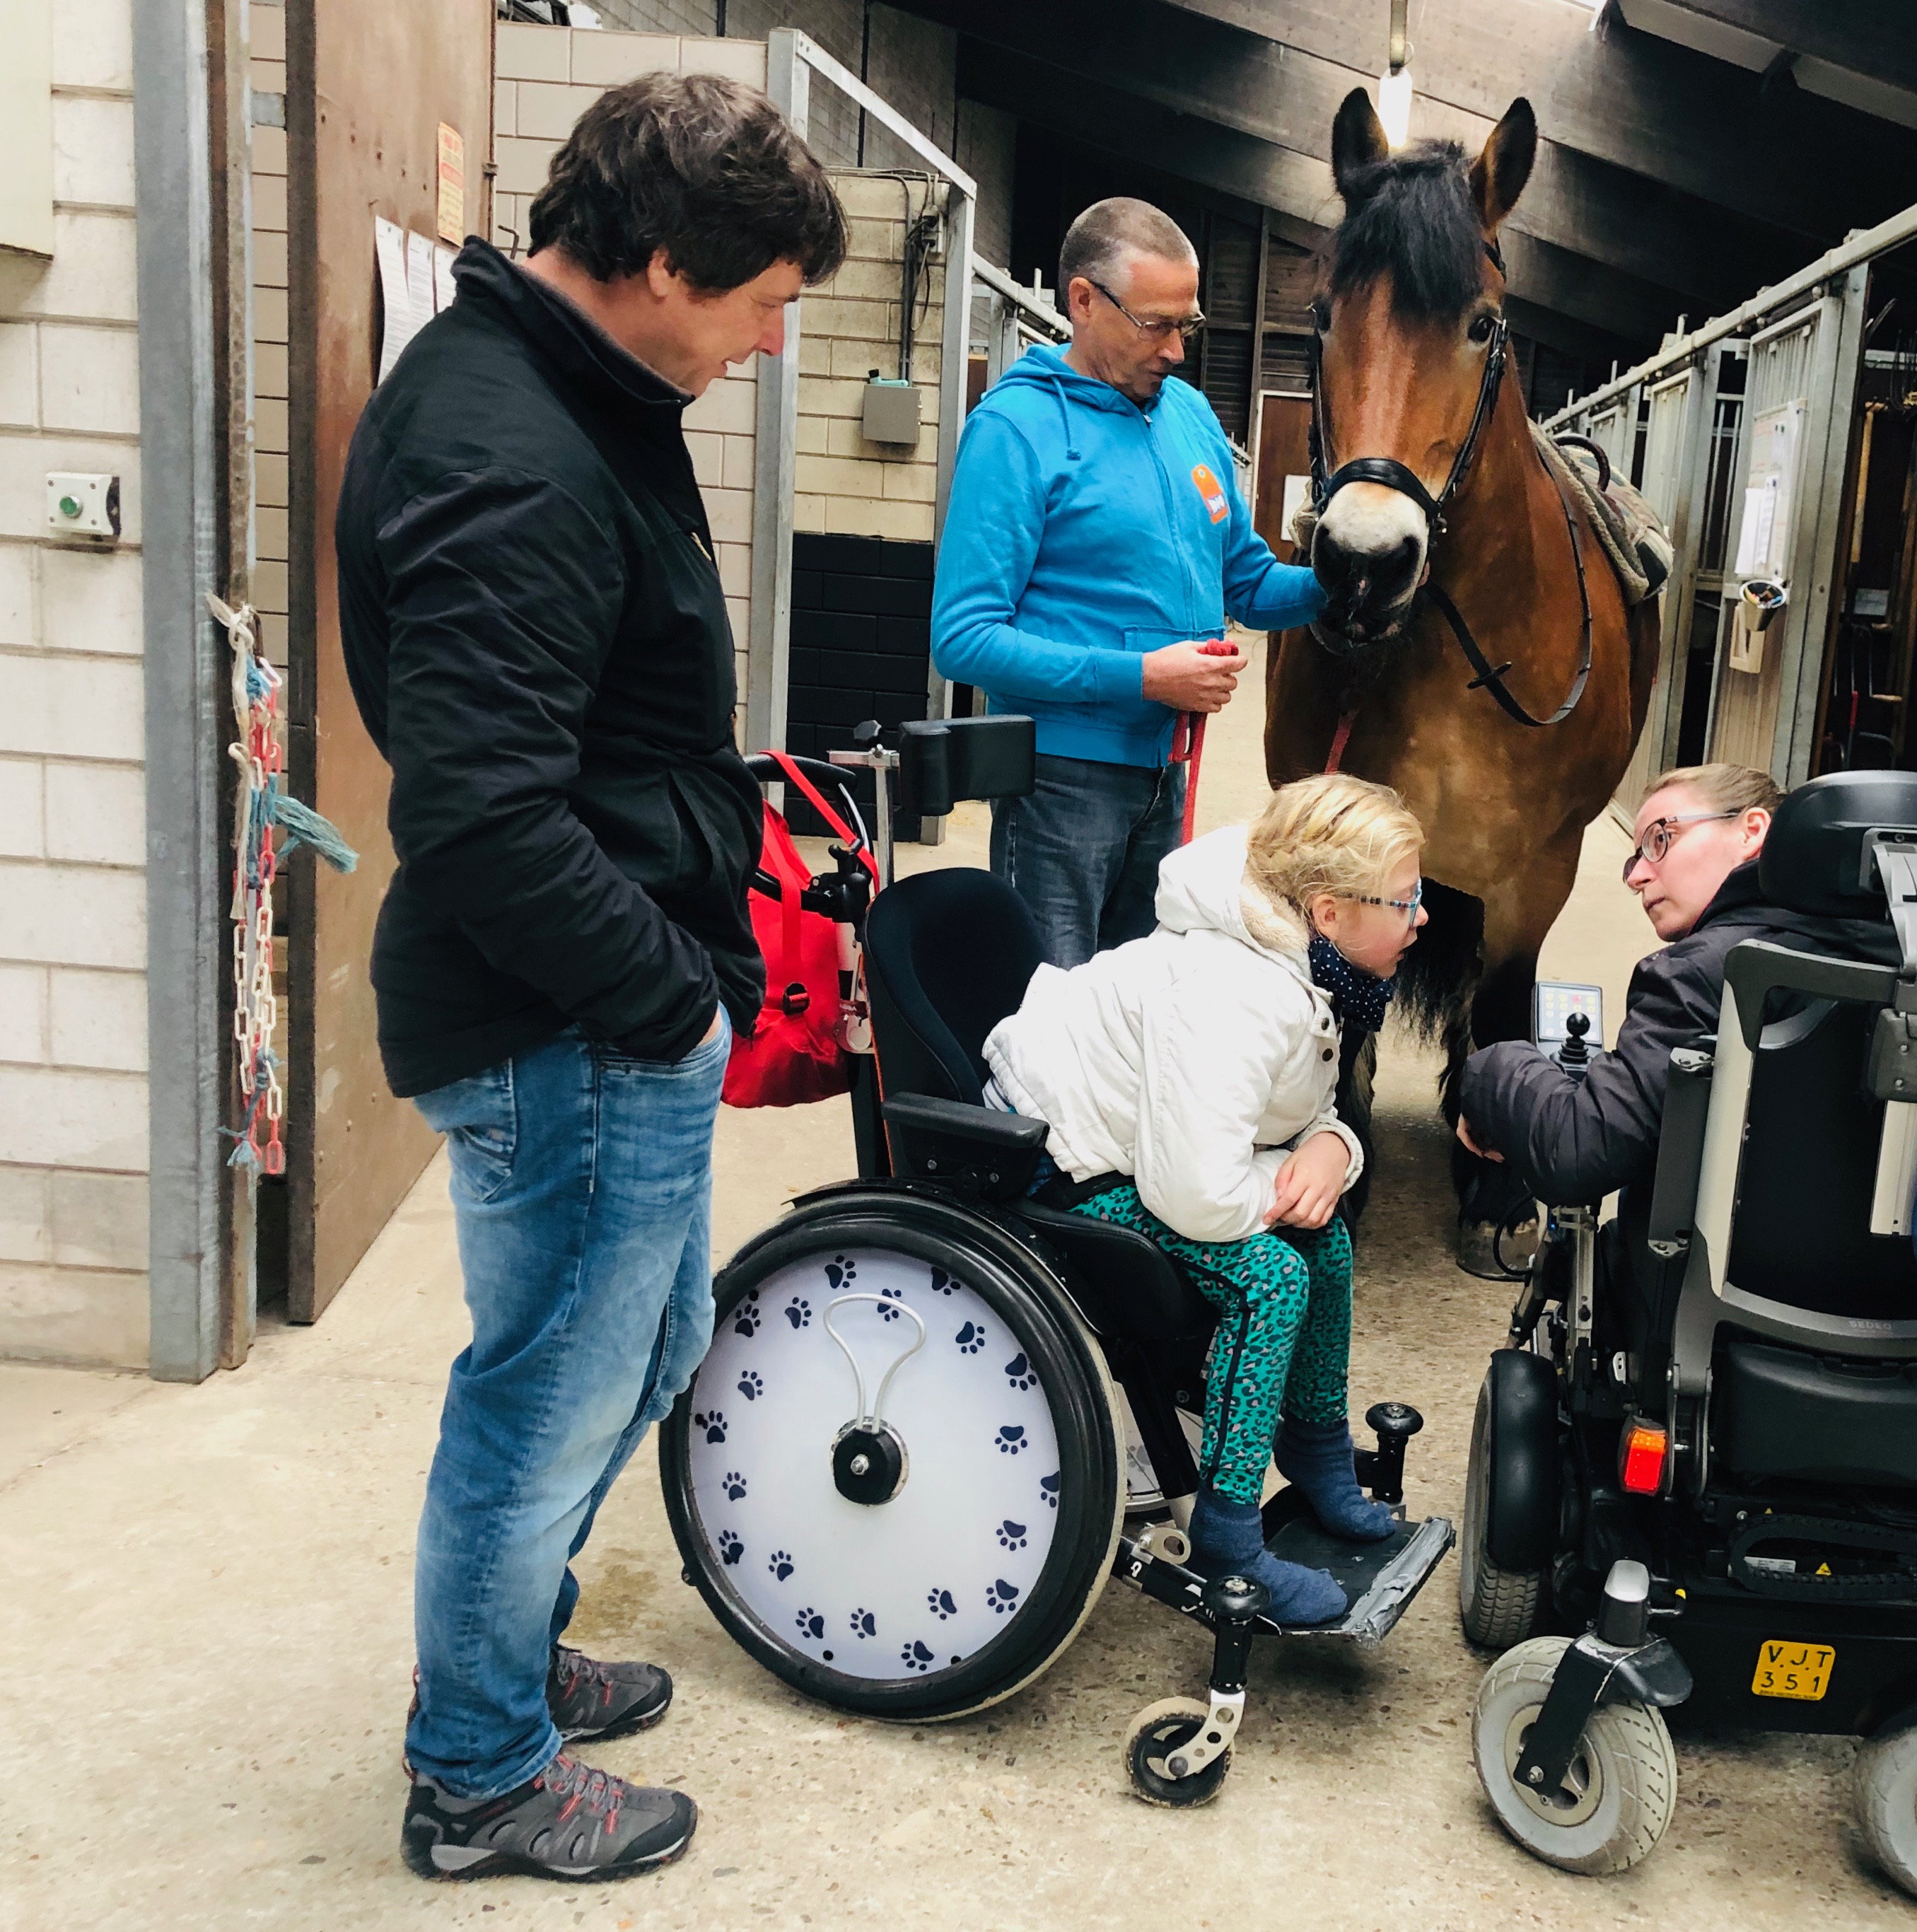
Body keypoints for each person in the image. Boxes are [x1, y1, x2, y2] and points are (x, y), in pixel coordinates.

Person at [335, 74, 845, 1885]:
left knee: (633, 1359)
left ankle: (505, 1659)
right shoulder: (509, 446)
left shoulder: (576, 385)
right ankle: (478, 1770)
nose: (775, 344)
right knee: (548, 1392)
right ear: (660, 262)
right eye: (763, 302)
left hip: (601, 1007)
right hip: (565, 1022)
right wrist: (674, 1009)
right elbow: (479, 817)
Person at [981, 774, 1427, 1622]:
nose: (1422, 916)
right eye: (1404, 900)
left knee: (1324, 1237)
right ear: (1329, 911)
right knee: (1271, 1278)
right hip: (1060, 1165)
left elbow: (1294, 1109)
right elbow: (1199, 1197)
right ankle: (1228, 1534)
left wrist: (1333, 1148)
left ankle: (1316, 1449)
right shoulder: (1236, 992)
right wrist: (1297, 1178)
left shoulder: (1300, 958)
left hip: (1151, 1153)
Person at [933, 197, 1327, 968]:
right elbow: (964, 639)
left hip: (1165, 777)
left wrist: (1339, 583)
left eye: (1188, 325)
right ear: (1083, 301)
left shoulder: (1190, 416)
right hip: (1058, 786)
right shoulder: (1017, 428)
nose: (1176, 350)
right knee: (1052, 1009)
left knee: (1137, 1009)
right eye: (1156, 324)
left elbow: (1248, 583)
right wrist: (1144, 677)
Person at [1455, 764, 1897, 1205]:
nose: (1636, 877)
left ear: (1751, 831)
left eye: (1660, 840)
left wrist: (1490, 1072)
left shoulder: (1696, 974)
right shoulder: (1907, 964)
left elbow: (1576, 1151)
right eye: (1635, 859)